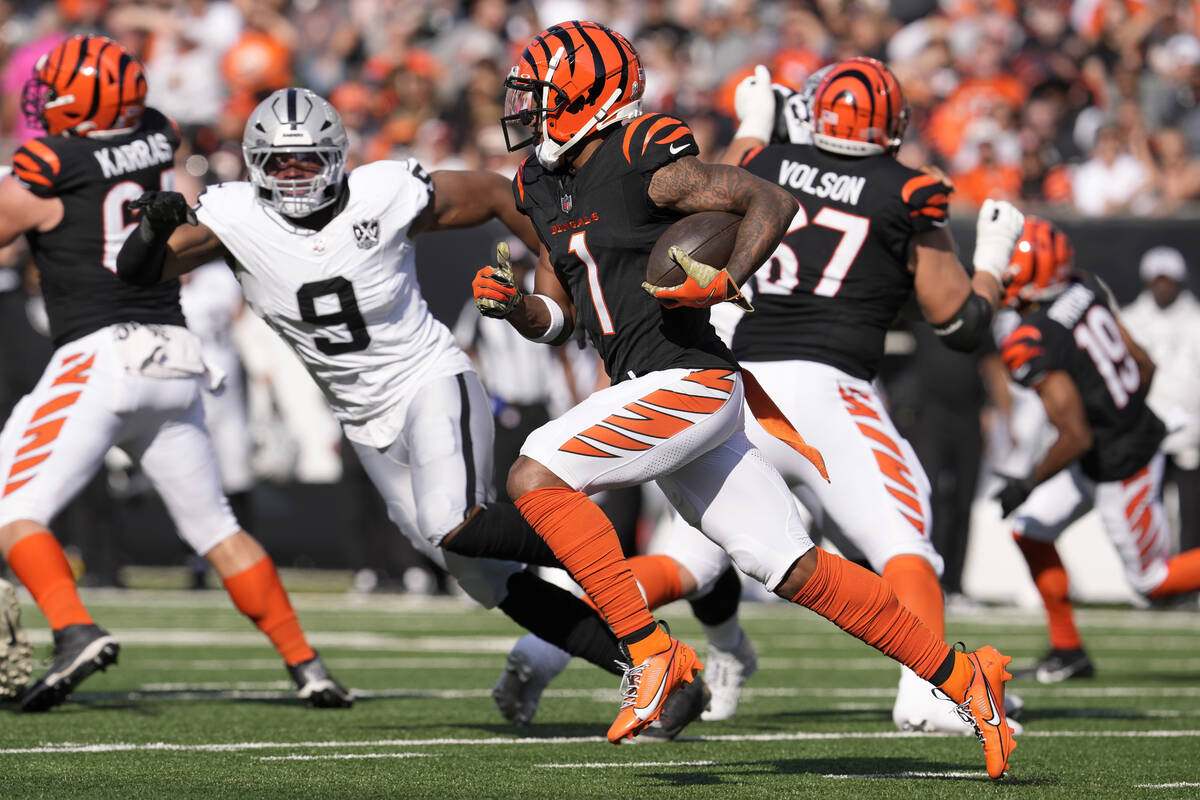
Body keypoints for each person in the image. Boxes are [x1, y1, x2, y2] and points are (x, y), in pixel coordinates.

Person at [472, 21, 1016, 777]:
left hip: (691, 378)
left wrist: (724, 281)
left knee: (535, 474)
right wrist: (514, 308)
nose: (525, 113)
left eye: (541, 98)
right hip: (650, 383)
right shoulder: (540, 183)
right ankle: (965, 677)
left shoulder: (642, 156)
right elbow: (559, 314)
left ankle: (650, 655)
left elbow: (771, 202)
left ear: (589, 98)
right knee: (791, 566)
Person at [115, 87, 710, 738]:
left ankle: (607, 571)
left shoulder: (382, 192)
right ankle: (654, 662)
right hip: (362, 419)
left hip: (428, 377)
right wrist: (150, 227)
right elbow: (138, 273)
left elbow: (493, 194)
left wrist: (556, 271)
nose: (295, 176)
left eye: (309, 160)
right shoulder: (234, 216)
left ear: (337, 159)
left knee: (452, 522)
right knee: (484, 578)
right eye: (280, 164)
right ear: (256, 165)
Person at [0, 35, 347, 712]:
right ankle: (307, 665)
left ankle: (74, 630)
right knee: (216, 527)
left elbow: (21, 212)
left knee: (14, 508)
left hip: (100, 355)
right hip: (175, 356)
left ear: (78, 98)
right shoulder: (157, 134)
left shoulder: (50, 162)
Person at [684, 58, 1022, 733]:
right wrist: (994, 263)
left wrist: (753, 125)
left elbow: (708, 205)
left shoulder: (768, 160)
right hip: (832, 387)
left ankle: (557, 651)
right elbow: (958, 322)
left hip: (739, 382)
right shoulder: (908, 191)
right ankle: (925, 691)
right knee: (905, 542)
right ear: (892, 125)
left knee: (691, 554)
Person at [995, 219, 1200, 681]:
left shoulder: (1035, 338)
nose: (1007, 278)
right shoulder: (1085, 285)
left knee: (1152, 582)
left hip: (1120, 463)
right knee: (1030, 530)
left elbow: (1075, 437)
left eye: (1013, 270)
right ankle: (1068, 653)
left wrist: (1026, 481)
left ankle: (1069, 653)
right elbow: (1144, 364)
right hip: (1111, 444)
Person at [1121, 246, 1200, 554]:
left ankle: (1191, 581)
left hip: (1190, 434)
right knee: (1147, 509)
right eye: (1157, 280)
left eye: (1168, 280)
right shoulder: (1127, 321)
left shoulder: (1196, 321)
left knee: (1192, 513)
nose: (1163, 286)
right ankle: (1154, 576)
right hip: (1144, 431)